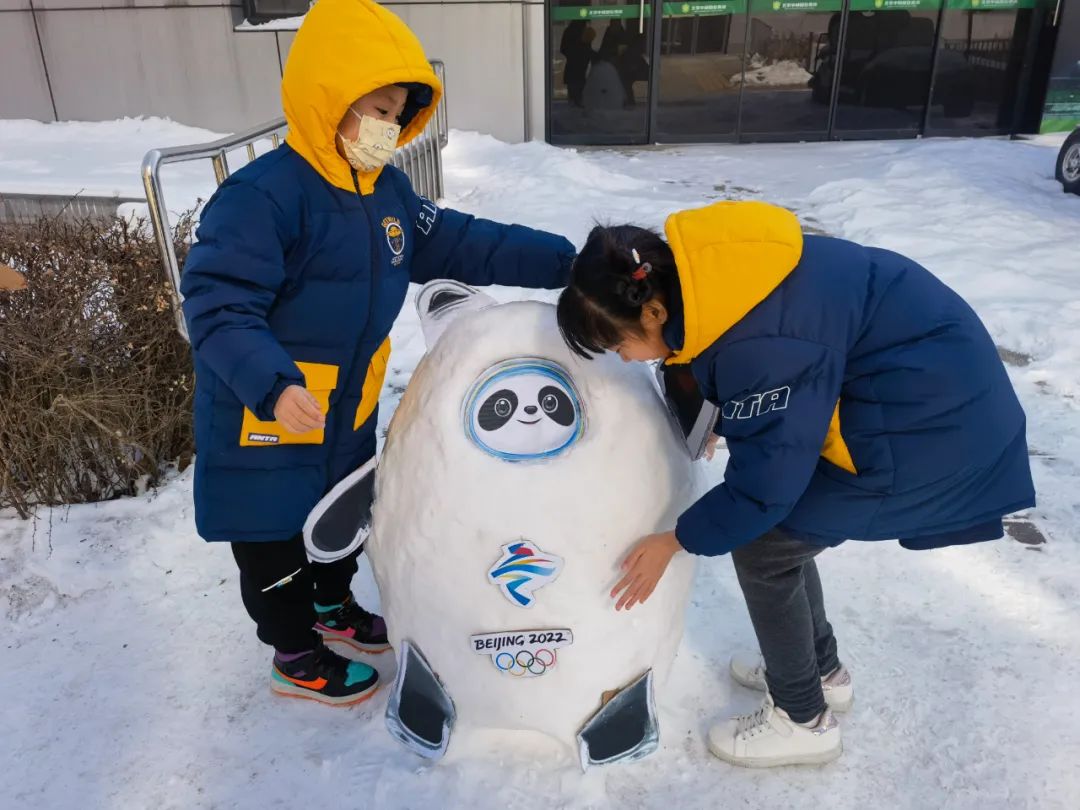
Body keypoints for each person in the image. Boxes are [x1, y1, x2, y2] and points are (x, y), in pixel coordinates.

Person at [180, 0, 575, 707]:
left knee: (338, 519)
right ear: (328, 96)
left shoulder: (385, 192)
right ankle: (295, 655)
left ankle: (333, 607)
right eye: (375, 107)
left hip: (344, 406)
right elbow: (217, 306)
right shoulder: (263, 198)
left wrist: (568, 262)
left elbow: (468, 241)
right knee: (272, 541)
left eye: (396, 113)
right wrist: (271, 385)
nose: (386, 127)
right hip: (264, 412)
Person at [556, 200, 1035, 766]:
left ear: (654, 310)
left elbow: (766, 485)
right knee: (787, 530)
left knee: (766, 543)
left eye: (619, 345)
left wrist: (674, 540)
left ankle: (803, 718)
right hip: (928, 400)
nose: (627, 359)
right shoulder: (723, 277)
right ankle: (818, 671)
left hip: (930, 435)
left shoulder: (758, 346)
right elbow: (785, 378)